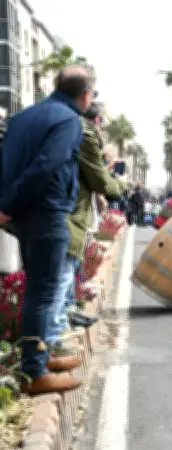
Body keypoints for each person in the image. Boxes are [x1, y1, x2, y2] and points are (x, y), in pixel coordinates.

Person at [0, 65, 94, 394]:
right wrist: (8, 204)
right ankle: (35, 372)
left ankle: (40, 356)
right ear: (86, 95)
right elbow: (48, 164)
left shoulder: (23, 117)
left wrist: (8, 204)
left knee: (37, 290)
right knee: (43, 293)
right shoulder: (69, 120)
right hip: (46, 213)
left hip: (25, 214)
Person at [49, 102, 125, 353]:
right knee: (63, 272)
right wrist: (119, 184)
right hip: (68, 211)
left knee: (69, 267)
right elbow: (98, 179)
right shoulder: (83, 132)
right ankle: (57, 333)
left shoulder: (63, 127)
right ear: (97, 120)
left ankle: (68, 313)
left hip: (66, 209)